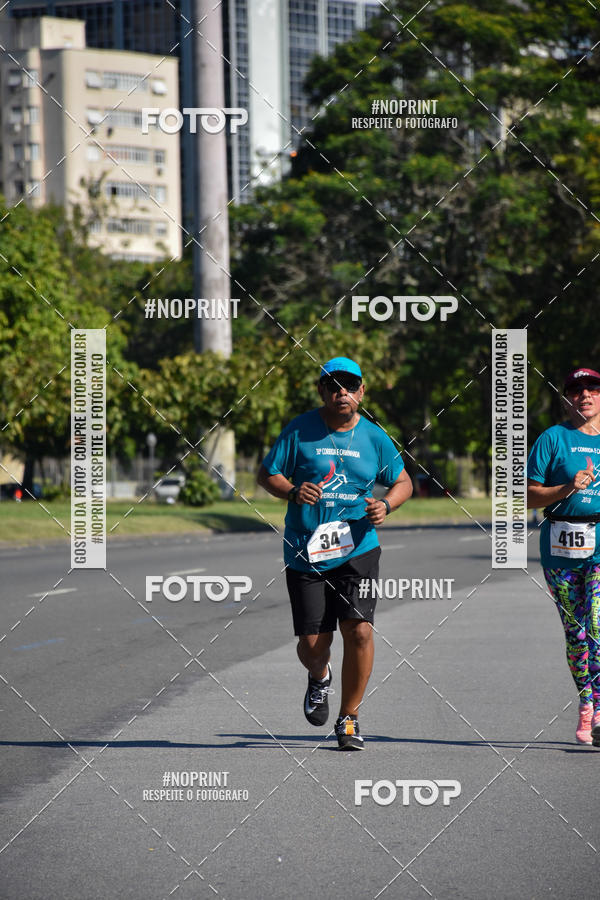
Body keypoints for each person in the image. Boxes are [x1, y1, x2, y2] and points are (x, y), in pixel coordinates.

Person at [257, 357, 413, 749]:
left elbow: (403, 481)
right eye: (333, 386)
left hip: (358, 547)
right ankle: (319, 676)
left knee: (358, 630)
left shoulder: (375, 438)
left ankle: (349, 718)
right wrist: (292, 490)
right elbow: (267, 473)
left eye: (349, 386)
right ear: (321, 391)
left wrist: (387, 504)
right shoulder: (300, 430)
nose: (341, 392)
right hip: (305, 549)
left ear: (361, 391)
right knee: (313, 644)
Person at [527, 367, 600, 746]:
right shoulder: (553, 439)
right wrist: (566, 487)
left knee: (598, 623)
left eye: (592, 388)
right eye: (576, 389)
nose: (584, 394)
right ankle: (586, 704)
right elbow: (527, 495)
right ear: (567, 398)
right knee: (576, 633)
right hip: (561, 545)